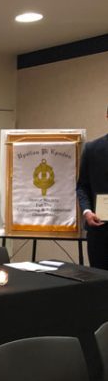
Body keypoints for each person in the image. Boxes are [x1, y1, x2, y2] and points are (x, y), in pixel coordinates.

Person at [77, 112, 108, 270]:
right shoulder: (92, 149)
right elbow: (82, 186)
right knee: (101, 281)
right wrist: (87, 211)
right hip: (100, 231)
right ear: (107, 116)